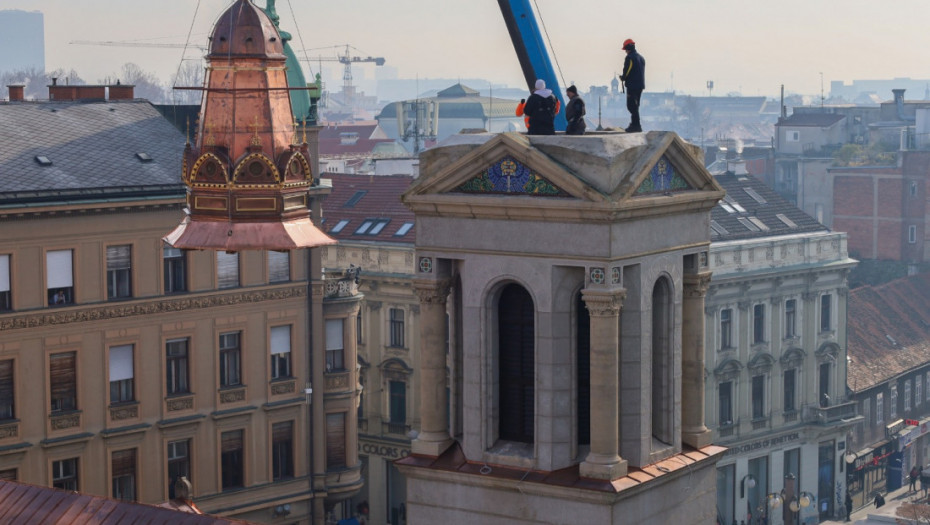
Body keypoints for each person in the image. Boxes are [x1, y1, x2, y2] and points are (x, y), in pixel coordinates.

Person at [619, 38, 645, 133]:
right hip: (640, 85)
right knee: (636, 105)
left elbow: (628, 69)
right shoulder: (641, 58)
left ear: (628, 48)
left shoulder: (630, 58)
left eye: (625, 49)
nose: (625, 51)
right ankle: (635, 124)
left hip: (632, 85)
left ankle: (636, 125)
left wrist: (623, 77)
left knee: (631, 106)